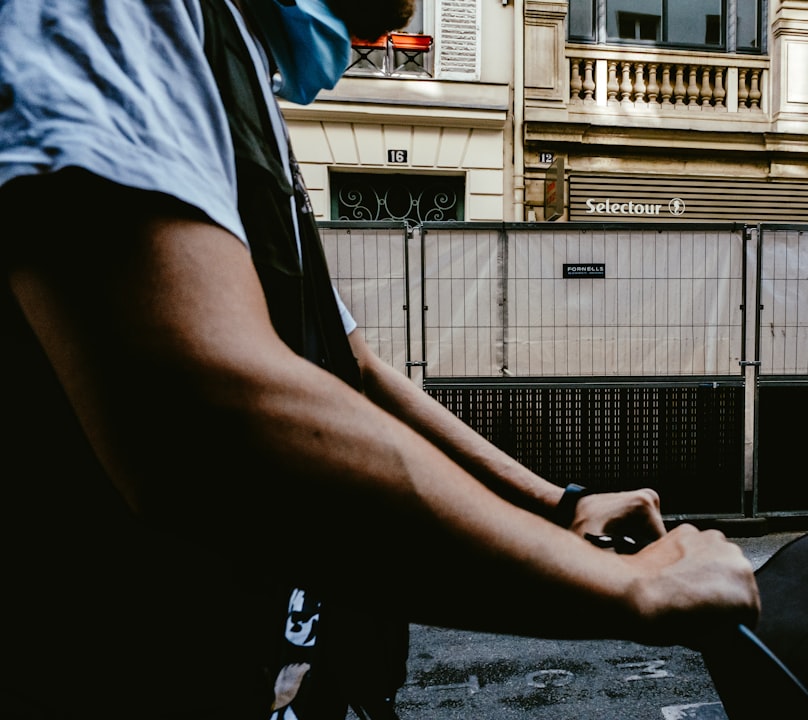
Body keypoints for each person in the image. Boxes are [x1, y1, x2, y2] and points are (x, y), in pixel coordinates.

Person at [0, 1, 760, 718]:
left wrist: (560, 504)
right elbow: (200, 405)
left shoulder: (232, 57)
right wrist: (628, 587)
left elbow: (353, 368)